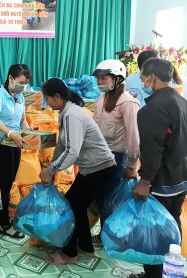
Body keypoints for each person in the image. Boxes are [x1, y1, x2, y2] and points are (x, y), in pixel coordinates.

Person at [39, 78, 117, 265]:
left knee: (73, 205)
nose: (47, 103)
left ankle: (70, 253)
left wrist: (51, 170)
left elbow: (72, 151)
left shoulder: (72, 115)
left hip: (101, 168)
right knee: (76, 204)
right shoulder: (65, 113)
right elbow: (61, 145)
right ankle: (85, 246)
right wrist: (52, 168)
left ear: (57, 97)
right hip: (91, 168)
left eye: (47, 99)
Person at [129, 59, 187, 278]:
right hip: (181, 178)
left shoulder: (152, 110)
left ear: (151, 77)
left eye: (143, 76)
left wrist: (144, 182)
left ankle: (153, 274)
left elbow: (152, 149)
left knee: (153, 233)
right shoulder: (181, 101)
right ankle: (167, 271)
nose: (142, 81)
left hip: (161, 182)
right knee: (172, 228)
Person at [91, 59, 140, 246]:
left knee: (112, 200)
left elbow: (133, 136)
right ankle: (107, 235)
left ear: (117, 78)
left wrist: (131, 164)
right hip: (100, 156)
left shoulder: (128, 102)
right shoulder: (101, 99)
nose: (100, 82)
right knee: (102, 198)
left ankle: (112, 238)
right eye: (98, 79)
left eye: (104, 78)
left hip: (117, 157)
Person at [0, 64, 31, 238]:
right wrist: (10, 133)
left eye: (26, 83)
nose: (24, 86)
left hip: (16, 144)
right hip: (2, 145)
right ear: (11, 78)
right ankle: (4, 224)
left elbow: (22, 120)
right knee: (5, 183)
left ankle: (0, 214)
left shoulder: (20, 97)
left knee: (10, 181)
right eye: (21, 82)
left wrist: (29, 133)